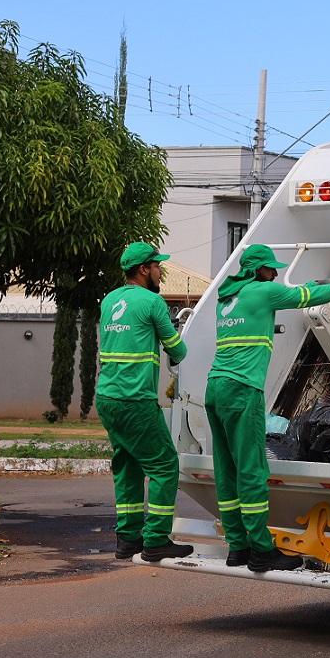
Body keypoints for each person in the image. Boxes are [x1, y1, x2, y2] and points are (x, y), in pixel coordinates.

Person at [206, 244, 330, 573]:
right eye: (270, 268)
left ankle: (237, 546)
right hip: (241, 389)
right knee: (251, 470)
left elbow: (296, 292)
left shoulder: (227, 298)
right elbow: (303, 298)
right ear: (257, 270)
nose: (275, 273)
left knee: (227, 469)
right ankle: (262, 550)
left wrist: (316, 285)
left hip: (215, 388)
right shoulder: (263, 291)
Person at [95, 241, 193, 562]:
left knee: (128, 465)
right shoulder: (153, 302)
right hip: (135, 399)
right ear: (143, 270)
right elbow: (177, 351)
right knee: (165, 466)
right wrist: (175, 331)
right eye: (156, 266)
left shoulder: (109, 301)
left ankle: (127, 538)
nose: (160, 270)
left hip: (107, 398)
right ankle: (155, 540)